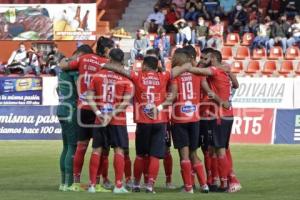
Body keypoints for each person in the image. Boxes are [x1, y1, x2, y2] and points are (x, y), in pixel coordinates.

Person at [103, 55, 190, 193]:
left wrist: (104, 65)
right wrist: (160, 69)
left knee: (140, 155)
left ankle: (137, 184)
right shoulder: (164, 76)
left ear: (144, 65)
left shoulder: (138, 76)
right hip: (160, 121)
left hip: (143, 122)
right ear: (156, 66)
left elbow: (120, 69)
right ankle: (150, 185)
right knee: (155, 155)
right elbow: (184, 67)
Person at [59, 37, 114, 192]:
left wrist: (63, 61)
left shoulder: (84, 58)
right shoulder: (107, 64)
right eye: (111, 48)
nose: (112, 52)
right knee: (101, 149)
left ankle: (76, 182)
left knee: (81, 146)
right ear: (105, 50)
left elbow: (64, 65)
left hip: (82, 108)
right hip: (99, 110)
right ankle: (96, 183)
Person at [86, 48, 134, 193]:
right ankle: (118, 186)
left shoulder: (97, 76)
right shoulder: (126, 80)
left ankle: (92, 185)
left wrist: (100, 113)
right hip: (117, 120)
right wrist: (112, 114)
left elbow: (89, 97)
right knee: (118, 150)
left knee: (97, 150)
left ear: (109, 58)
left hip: (100, 119)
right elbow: (125, 103)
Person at [57, 45, 91, 192]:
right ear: (81, 55)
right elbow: (80, 86)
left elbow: (58, 89)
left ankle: (64, 183)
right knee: (73, 146)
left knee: (66, 147)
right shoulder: (74, 69)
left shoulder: (63, 67)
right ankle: (70, 184)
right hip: (71, 110)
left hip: (62, 108)